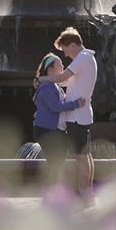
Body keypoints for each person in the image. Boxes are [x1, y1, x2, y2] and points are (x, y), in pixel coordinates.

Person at [35, 27, 97, 202]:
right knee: (86, 155)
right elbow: (65, 81)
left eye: (64, 50)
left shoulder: (82, 58)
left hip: (77, 117)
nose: (65, 55)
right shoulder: (88, 59)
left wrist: (41, 79)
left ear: (72, 44)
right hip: (82, 115)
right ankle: (87, 192)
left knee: (81, 158)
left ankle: (83, 194)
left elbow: (61, 78)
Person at [33, 53, 85, 184]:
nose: (63, 65)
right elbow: (55, 107)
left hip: (55, 130)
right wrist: (76, 104)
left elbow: (69, 80)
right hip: (47, 130)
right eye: (59, 64)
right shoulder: (47, 87)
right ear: (51, 68)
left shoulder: (53, 84)